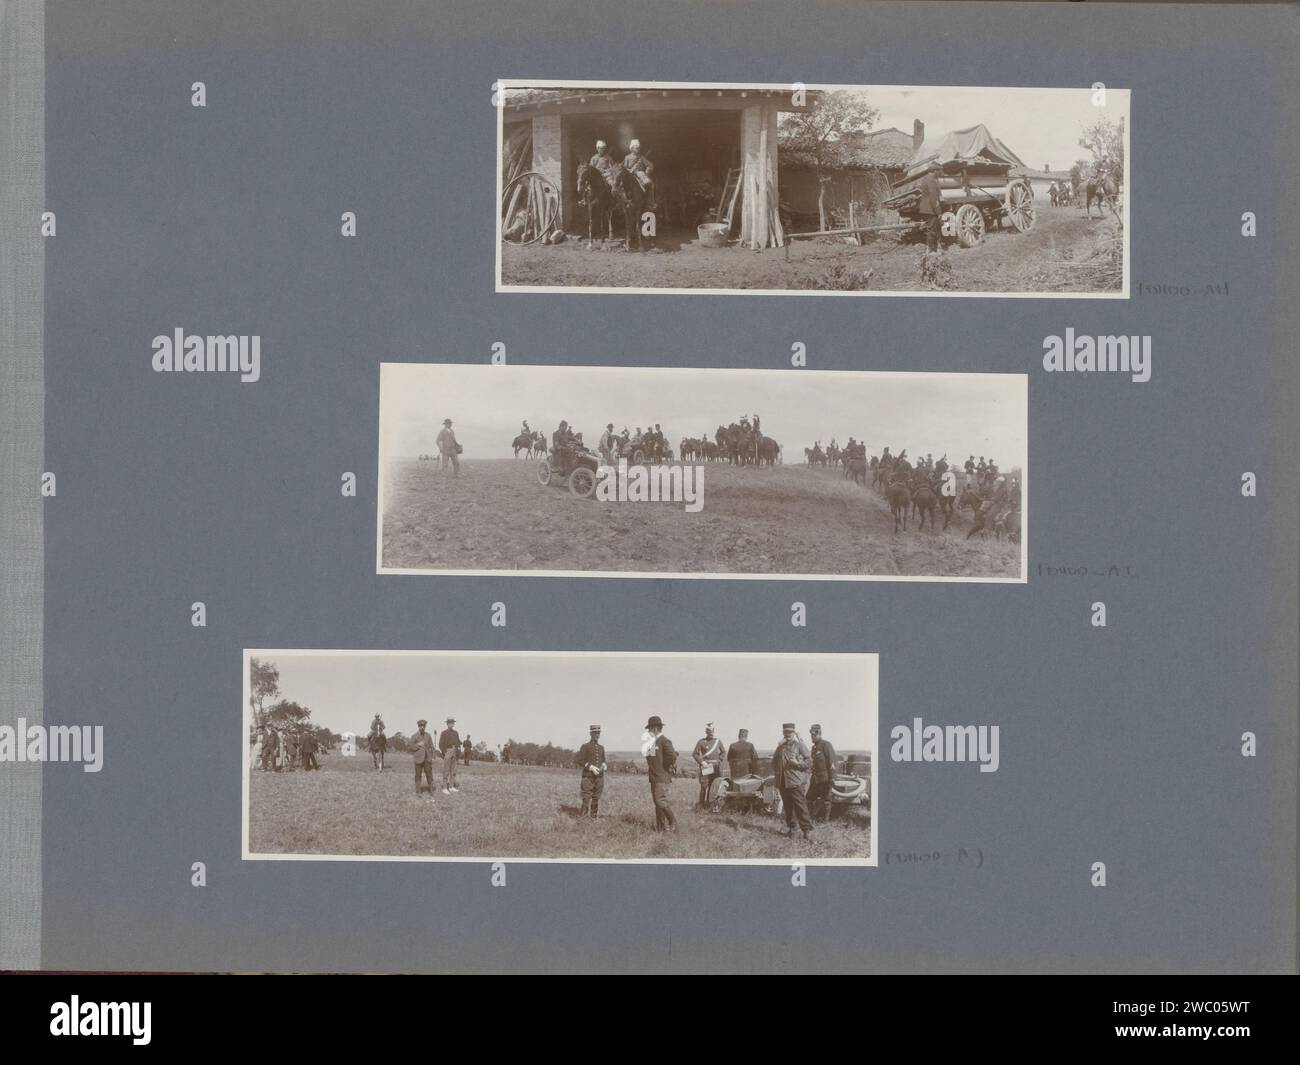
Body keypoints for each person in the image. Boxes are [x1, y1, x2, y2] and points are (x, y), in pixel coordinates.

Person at [772, 723, 813, 839]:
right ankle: (792, 829)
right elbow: (774, 763)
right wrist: (778, 773)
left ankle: (806, 832)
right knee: (788, 807)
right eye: (785, 732)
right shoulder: (780, 747)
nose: (787, 734)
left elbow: (809, 762)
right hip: (783, 782)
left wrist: (798, 764)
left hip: (796, 782)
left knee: (801, 807)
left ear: (794, 733)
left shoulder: (800, 746)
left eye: (790, 732)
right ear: (783, 733)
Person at [644, 715, 677, 831]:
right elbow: (651, 758)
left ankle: (673, 823)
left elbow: (672, 756)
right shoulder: (653, 742)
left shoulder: (664, 741)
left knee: (660, 800)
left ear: (655, 728)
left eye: (649, 729)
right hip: (654, 777)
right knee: (657, 802)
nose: (648, 731)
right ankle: (660, 827)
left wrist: (664, 768)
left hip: (661, 777)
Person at [806, 724, 838, 822]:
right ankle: (811, 817)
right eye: (811, 735)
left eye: (814, 735)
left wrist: (832, 777)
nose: (812, 737)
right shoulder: (814, 748)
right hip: (815, 778)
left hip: (825, 778)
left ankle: (825, 821)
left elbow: (832, 761)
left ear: (819, 734)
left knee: (826, 800)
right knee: (809, 798)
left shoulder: (826, 745)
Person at [692, 723, 725, 809]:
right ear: (706, 732)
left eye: (712, 731)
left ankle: (711, 804)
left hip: (715, 766)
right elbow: (695, 754)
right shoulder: (701, 741)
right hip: (706, 766)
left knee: (714, 786)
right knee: (704, 786)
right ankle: (701, 805)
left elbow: (723, 752)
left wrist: (720, 760)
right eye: (709, 731)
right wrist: (702, 762)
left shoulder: (718, 741)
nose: (711, 733)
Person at [577, 725, 607, 819]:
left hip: (599, 777)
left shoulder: (601, 747)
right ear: (591, 734)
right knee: (586, 798)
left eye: (598, 733)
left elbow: (603, 760)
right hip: (588, 776)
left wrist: (604, 765)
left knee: (596, 798)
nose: (597, 734)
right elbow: (579, 760)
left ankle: (593, 818)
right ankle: (583, 819)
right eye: (595, 733)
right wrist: (591, 767)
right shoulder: (585, 746)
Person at [622, 138, 655, 208]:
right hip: (629, 175)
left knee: (650, 184)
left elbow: (650, 165)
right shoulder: (627, 157)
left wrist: (646, 172)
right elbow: (624, 168)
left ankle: (650, 202)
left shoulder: (641, 157)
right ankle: (626, 201)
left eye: (638, 147)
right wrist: (629, 171)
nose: (638, 149)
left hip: (640, 174)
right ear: (632, 148)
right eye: (636, 147)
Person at [917, 165, 943, 252]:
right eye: (939, 171)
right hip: (931, 209)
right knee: (932, 229)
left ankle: (931, 248)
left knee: (931, 228)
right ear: (935, 171)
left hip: (925, 208)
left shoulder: (925, 178)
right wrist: (938, 212)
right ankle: (931, 250)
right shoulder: (931, 180)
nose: (940, 173)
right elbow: (933, 197)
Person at [412, 719, 435, 798]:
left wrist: (433, 756)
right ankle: (418, 791)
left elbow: (432, 746)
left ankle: (431, 790)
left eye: (423, 726)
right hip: (418, 759)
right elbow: (410, 747)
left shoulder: (428, 735)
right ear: (418, 727)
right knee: (418, 775)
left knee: (429, 774)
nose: (422, 727)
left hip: (427, 759)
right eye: (420, 726)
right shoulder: (414, 736)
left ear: (425, 727)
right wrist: (418, 745)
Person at [439, 717, 461, 794]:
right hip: (447, 751)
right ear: (447, 724)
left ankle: (451, 786)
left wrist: (458, 750)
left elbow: (458, 742)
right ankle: (444, 787)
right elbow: (440, 744)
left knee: (453, 770)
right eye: (449, 723)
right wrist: (445, 752)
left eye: (452, 723)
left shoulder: (456, 733)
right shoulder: (444, 733)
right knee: (446, 770)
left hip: (455, 751)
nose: (451, 724)